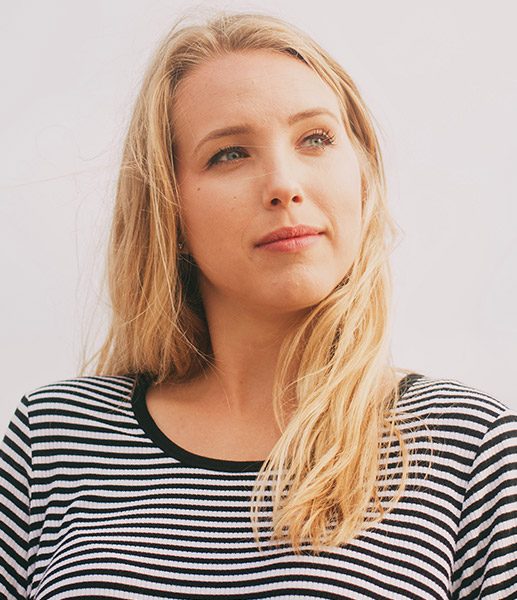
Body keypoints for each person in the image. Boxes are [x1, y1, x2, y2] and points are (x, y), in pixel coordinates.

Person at [1, 11, 516, 600]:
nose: (284, 184)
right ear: (167, 207)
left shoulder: (472, 447)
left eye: (316, 139)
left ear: (362, 176)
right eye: (229, 154)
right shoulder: (55, 436)